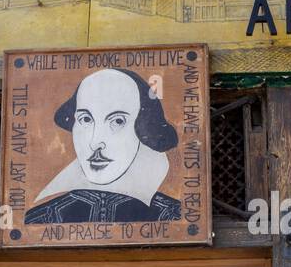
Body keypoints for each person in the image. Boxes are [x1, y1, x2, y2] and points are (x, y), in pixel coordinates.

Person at [25, 67, 181, 224]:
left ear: (145, 128)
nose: (95, 143)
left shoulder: (173, 216)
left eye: (118, 121)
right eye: (85, 119)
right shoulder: (40, 219)